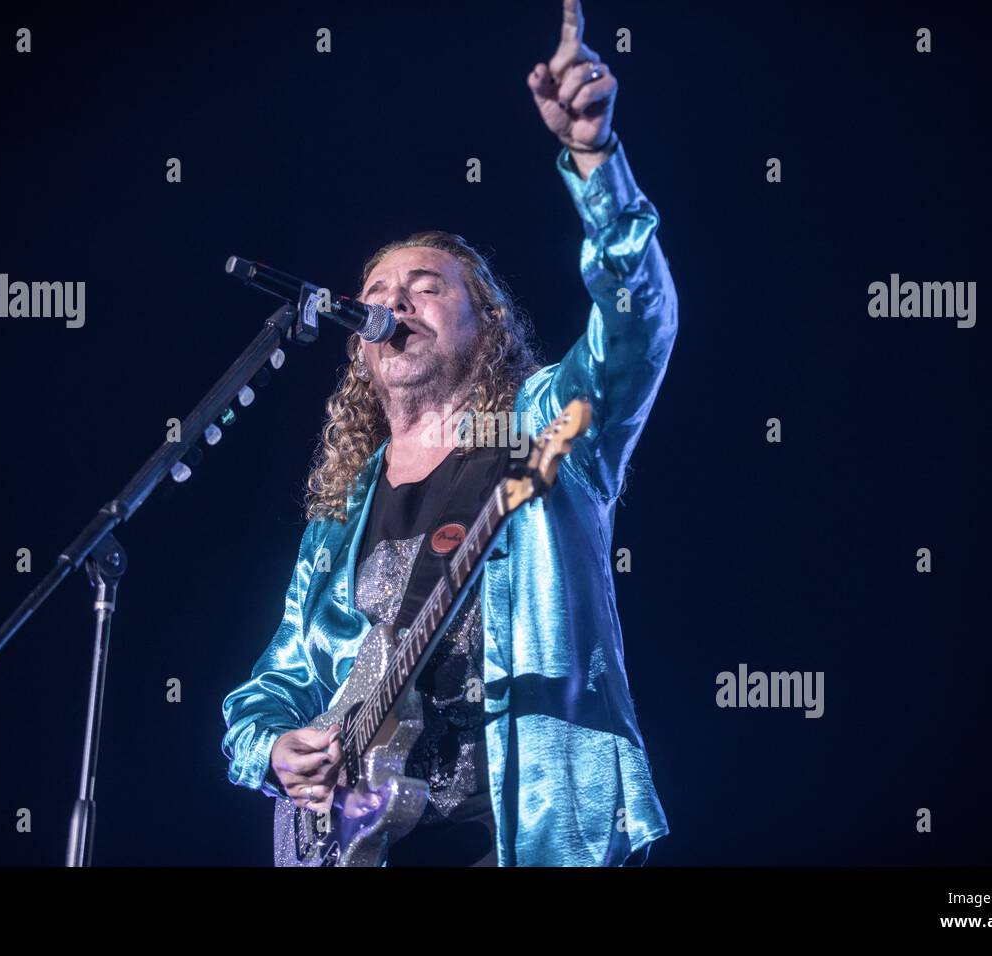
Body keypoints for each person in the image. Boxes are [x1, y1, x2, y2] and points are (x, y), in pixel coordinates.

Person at [222, 0, 676, 866]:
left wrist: (596, 162)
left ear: (488, 320)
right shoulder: (341, 515)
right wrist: (273, 751)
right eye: (378, 290)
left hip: (531, 836)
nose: (391, 301)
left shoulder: (550, 429)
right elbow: (277, 681)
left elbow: (638, 323)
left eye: (423, 285)